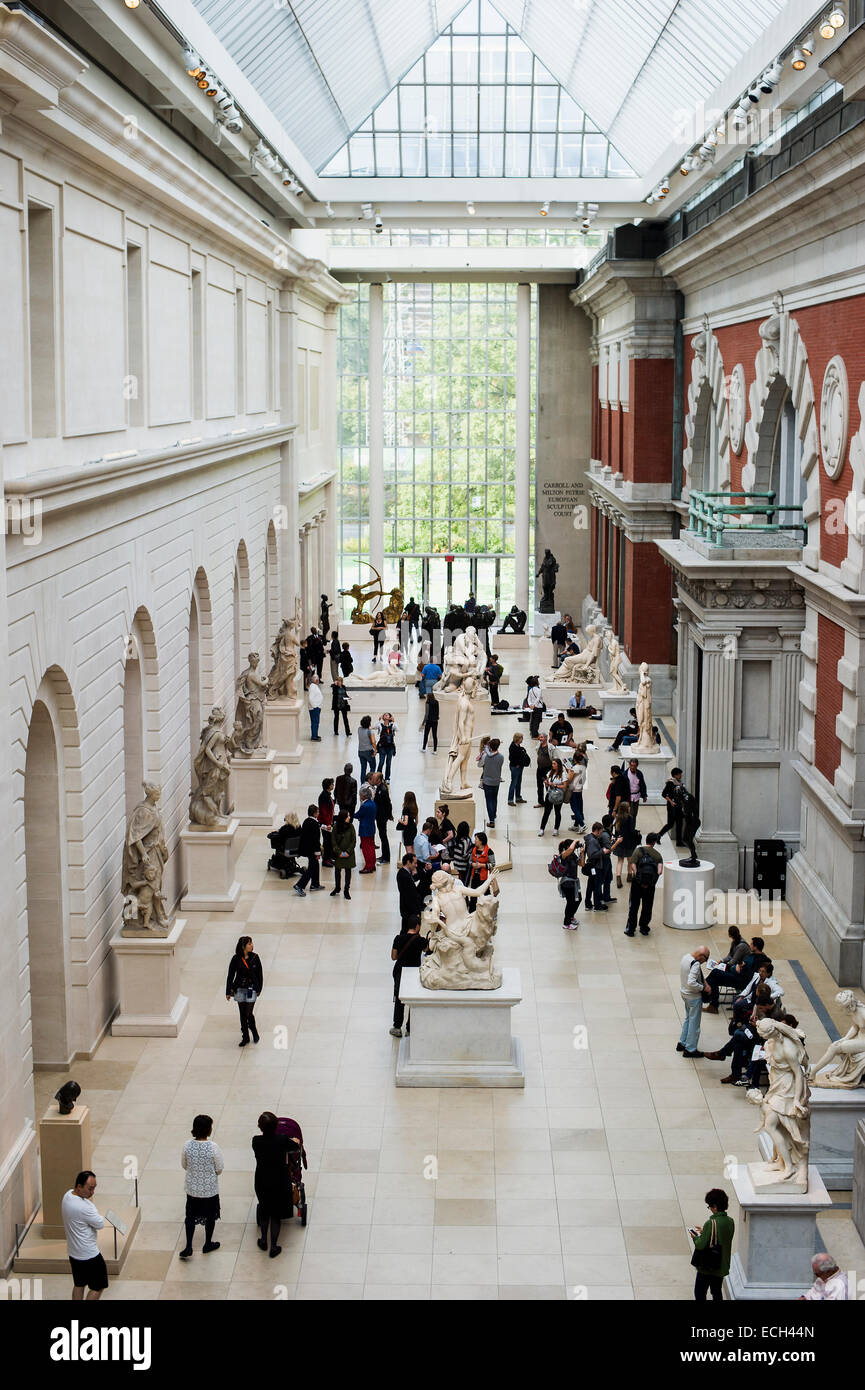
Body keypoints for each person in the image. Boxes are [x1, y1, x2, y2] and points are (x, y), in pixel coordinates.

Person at [252, 1112, 299, 1258]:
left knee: (265, 1210)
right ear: (277, 1126)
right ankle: (274, 1246)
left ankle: (263, 1240)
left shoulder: (256, 1141)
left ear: (260, 1127)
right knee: (276, 1215)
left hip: (262, 1179)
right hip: (280, 1180)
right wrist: (295, 1141)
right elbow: (295, 1146)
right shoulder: (282, 1139)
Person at [179, 1114, 223, 1259]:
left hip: (192, 1189)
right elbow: (219, 1168)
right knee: (210, 1217)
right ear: (208, 1130)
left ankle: (189, 1246)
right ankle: (207, 1243)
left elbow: (184, 1165)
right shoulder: (213, 1147)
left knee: (190, 1217)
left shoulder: (187, 1145)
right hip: (209, 1190)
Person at [62, 1171, 107, 1300]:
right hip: (89, 1255)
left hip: (74, 1253)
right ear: (79, 1186)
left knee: (79, 1284)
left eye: (94, 1188)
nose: (92, 1192)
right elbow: (100, 1224)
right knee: (98, 1286)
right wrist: (93, 1211)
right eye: (90, 1188)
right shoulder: (86, 1207)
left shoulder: (67, 1196)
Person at [689, 1189, 735, 1302]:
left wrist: (695, 1237)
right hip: (721, 1265)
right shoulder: (730, 1221)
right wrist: (705, 1232)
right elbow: (723, 1238)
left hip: (708, 1266)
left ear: (714, 1206)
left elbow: (700, 1245)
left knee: (699, 1292)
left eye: (709, 1206)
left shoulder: (711, 1223)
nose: (709, 1209)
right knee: (716, 1291)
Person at [390, 914, 430, 1036]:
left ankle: (397, 1027)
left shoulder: (398, 939)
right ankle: (409, 1027)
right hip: (413, 972)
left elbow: (393, 957)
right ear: (418, 926)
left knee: (399, 998)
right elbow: (427, 950)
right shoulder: (421, 941)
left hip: (400, 971)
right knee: (413, 998)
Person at [225, 935, 262, 1045]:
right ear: (243, 946)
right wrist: (228, 991)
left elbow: (260, 975)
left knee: (248, 1013)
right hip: (240, 989)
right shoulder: (235, 959)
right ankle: (245, 1036)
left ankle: (254, 1031)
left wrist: (259, 988)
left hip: (251, 988)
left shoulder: (255, 957)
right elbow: (230, 975)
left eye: (251, 943)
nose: (252, 945)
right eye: (249, 944)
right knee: (242, 1013)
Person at [624, 832, 663, 936]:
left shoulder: (638, 851)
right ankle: (644, 927)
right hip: (650, 885)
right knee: (647, 906)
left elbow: (632, 864)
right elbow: (659, 871)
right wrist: (651, 880)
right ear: (654, 842)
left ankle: (631, 929)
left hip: (637, 884)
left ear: (646, 840)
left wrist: (638, 876)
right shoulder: (657, 855)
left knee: (634, 906)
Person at [702, 926, 749, 1010]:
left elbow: (733, 961)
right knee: (713, 980)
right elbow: (730, 956)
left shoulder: (742, 946)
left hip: (738, 976)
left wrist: (721, 966)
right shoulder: (735, 942)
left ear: (729, 935)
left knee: (715, 972)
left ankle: (704, 991)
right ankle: (712, 1003)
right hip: (734, 971)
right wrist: (721, 961)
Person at [679, 946, 711, 1058]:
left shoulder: (686, 957)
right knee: (694, 1023)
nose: (703, 962)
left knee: (688, 1018)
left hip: (684, 993)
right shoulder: (696, 964)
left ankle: (682, 1042)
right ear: (701, 956)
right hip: (693, 997)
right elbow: (691, 982)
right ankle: (690, 1049)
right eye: (705, 959)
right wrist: (703, 988)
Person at [294, 805, 323, 895]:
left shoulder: (306, 821)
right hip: (312, 850)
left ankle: (315, 884)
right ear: (314, 813)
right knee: (312, 868)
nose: (319, 813)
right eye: (318, 812)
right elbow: (315, 840)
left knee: (315, 865)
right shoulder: (314, 824)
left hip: (307, 849)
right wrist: (318, 852)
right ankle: (300, 885)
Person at [611, 802, 640, 888]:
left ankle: (618, 879)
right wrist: (637, 832)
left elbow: (616, 831)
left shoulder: (617, 818)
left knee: (620, 861)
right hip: (629, 842)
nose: (630, 808)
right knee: (630, 860)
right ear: (627, 809)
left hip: (620, 842)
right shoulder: (630, 818)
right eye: (629, 807)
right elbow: (631, 831)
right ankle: (629, 876)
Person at [329, 807, 356, 899]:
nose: (349, 817)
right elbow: (333, 841)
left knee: (348, 871)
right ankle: (337, 888)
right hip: (338, 854)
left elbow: (353, 841)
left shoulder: (351, 826)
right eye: (348, 816)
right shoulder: (336, 827)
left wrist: (348, 851)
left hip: (349, 854)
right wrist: (339, 852)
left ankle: (346, 890)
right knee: (337, 871)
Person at [539, 756, 569, 836]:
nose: (552, 765)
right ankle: (542, 828)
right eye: (552, 763)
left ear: (558, 765)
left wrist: (555, 785)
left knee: (557, 812)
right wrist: (546, 782)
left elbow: (564, 786)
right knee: (546, 812)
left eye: (554, 764)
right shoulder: (550, 772)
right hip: (550, 794)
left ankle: (556, 829)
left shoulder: (562, 774)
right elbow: (547, 779)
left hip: (558, 795)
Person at [556, 837, 582, 930]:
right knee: (570, 902)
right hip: (567, 883)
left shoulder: (573, 855)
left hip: (574, 882)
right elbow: (570, 849)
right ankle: (566, 923)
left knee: (578, 899)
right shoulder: (563, 854)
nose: (575, 847)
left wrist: (582, 852)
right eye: (574, 846)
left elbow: (581, 864)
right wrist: (575, 841)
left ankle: (571, 917)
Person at [582, 822, 607, 913]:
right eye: (600, 832)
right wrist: (602, 851)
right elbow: (592, 855)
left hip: (592, 866)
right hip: (595, 866)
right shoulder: (593, 841)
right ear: (596, 831)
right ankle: (597, 905)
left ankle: (588, 904)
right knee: (596, 886)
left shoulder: (590, 838)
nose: (601, 834)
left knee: (590, 885)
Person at [467, 830, 495, 911]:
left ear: (481, 841)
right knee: (473, 894)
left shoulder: (489, 851)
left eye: (476, 839)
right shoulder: (474, 850)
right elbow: (470, 861)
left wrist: (482, 865)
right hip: (474, 876)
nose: (474, 841)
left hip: (483, 877)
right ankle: (471, 911)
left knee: (486, 894)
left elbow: (493, 864)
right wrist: (473, 865)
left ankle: (490, 910)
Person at [659, 767, 686, 847]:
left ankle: (679, 842)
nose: (681, 775)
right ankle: (658, 836)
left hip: (679, 806)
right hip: (672, 807)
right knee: (670, 824)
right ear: (675, 775)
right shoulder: (670, 783)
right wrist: (671, 802)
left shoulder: (679, 783)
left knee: (679, 824)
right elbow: (664, 794)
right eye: (679, 774)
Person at [480, 736, 504, 827]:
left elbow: (480, 765)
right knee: (494, 798)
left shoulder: (486, 756)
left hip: (487, 782)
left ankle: (491, 821)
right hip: (496, 781)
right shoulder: (501, 757)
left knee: (489, 800)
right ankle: (493, 814)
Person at [354, 785, 378, 873]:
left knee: (366, 848)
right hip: (371, 827)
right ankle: (372, 864)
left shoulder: (365, 806)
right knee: (371, 847)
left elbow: (358, 815)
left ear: (363, 796)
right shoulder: (372, 803)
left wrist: (350, 815)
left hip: (365, 829)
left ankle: (368, 866)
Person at [370, 771, 392, 863]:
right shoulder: (379, 788)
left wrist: (389, 815)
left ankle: (386, 857)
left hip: (382, 816)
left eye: (374, 778)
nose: (372, 780)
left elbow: (388, 803)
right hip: (379, 815)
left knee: (383, 837)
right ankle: (384, 855)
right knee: (382, 836)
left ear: (378, 780)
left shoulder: (382, 790)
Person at [397, 852, 425, 924]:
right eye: (415, 863)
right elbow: (409, 896)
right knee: (407, 930)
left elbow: (414, 879)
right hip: (409, 911)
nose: (416, 865)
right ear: (408, 862)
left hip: (408, 909)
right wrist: (416, 912)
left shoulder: (405, 872)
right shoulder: (404, 876)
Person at [507, 732, 530, 805]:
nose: (522, 739)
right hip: (515, 767)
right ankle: (510, 800)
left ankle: (518, 797)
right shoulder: (513, 747)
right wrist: (516, 764)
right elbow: (511, 758)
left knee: (518, 782)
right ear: (518, 739)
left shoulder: (518, 745)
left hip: (520, 766)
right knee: (514, 782)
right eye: (521, 738)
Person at [623, 757, 648, 825]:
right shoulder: (625, 774)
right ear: (629, 765)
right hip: (628, 797)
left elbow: (642, 784)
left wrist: (644, 795)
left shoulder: (639, 773)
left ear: (637, 766)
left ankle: (633, 828)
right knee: (629, 814)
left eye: (634, 766)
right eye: (631, 765)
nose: (633, 767)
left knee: (634, 814)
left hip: (636, 797)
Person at [568, 750, 587, 831]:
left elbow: (569, 779)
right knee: (579, 807)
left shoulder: (575, 768)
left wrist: (568, 771)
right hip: (580, 789)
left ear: (574, 759)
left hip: (574, 790)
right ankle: (576, 825)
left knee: (574, 808)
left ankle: (582, 825)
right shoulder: (584, 767)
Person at [375, 711, 398, 781]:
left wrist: (394, 721)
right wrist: (379, 719)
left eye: (387, 715)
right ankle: (378, 777)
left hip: (390, 747)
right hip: (382, 747)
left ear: (390, 717)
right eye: (384, 715)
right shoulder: (380, 725)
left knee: (388, 763)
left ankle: (387, 778)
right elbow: (375, 726)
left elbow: (397, 729)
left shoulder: (392, 725)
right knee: (381, 762)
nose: (386, 716)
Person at [318, 778, 335, 866]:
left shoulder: (327, 794)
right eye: (332, 784)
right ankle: (326, 860)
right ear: (328, 786)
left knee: (329, 841)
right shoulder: (324, 796)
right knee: (327, 842)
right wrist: (328, 823)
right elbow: (324, 812)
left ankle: (329, 857)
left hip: (328, 822)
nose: (333, 785)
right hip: (325, 823)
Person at [356, 714, 377, 783]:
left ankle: (362, 783)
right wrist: (375, 750)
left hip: (360, 751)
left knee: (363, 768)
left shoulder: (359, 729)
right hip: (368, 751)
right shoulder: (370, 731)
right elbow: (373, 742)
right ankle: (371, 782)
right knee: (373, 766)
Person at [534, 733, 552, 807]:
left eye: (542, 737)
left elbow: (555, 758)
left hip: (547, 769)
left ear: (546, 738)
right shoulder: (539, 745)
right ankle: (541, 802)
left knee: (548, 785)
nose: (540, 739)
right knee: (539, 786)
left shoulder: (551, 747)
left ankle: (549, 801)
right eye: (540, 737)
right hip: (540, 768)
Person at [307, 673, 323, 740]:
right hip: (314, 708)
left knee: (316, 722)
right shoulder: (313, 687)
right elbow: (310, 698)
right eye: (318, 679)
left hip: (316, 707)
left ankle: (315, 735)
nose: (318, 681)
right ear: (316, 680)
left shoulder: (314, 686)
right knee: (315, 722)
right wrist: (315, 706)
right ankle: (314, 736)